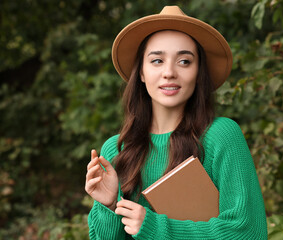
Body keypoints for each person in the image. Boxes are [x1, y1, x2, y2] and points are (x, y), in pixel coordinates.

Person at [85, 6, 267, 240]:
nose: (169, 72)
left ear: (198, 71)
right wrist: (110, 206)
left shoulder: (220, 135)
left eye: (184, 61)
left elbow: (249, 232)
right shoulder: (116, 150)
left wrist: (154, 227)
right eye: (157, 60)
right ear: (141, 72)